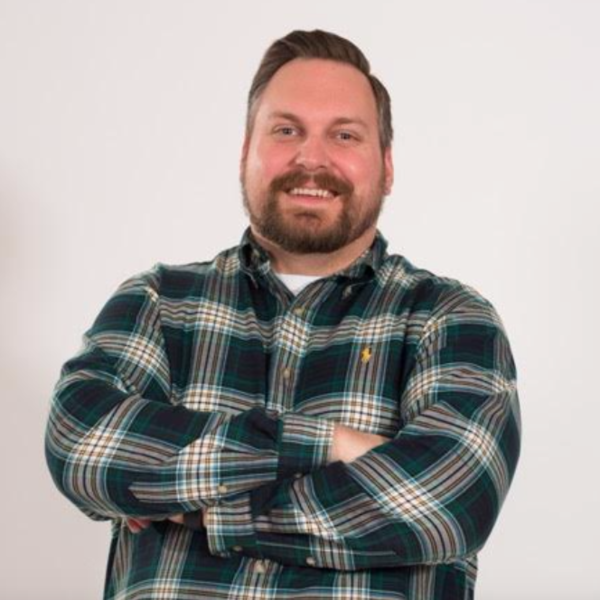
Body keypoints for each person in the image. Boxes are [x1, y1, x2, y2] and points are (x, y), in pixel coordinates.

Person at [45, 29, 521, 600]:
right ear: (246, 151)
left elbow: (452, 500)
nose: (311, 158)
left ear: (387, 166)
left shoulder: (449, 319)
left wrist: (208, 509)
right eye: (287, 130)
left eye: (344, 135)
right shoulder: (159, 302)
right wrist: (331, 444)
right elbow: (82, 445)